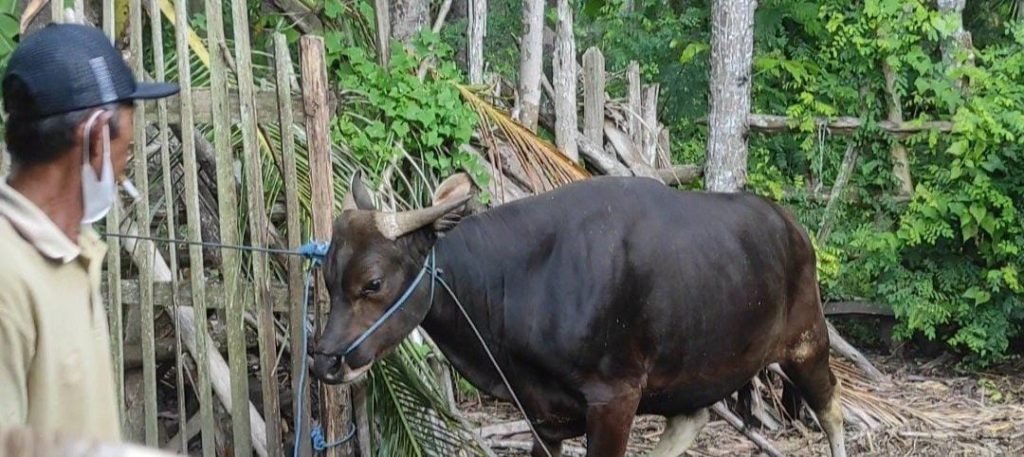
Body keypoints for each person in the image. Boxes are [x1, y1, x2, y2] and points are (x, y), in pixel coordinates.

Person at [0, 23, 179, 442]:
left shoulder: (74, 250)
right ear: (97, 137)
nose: (125, 168)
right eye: (127, 148)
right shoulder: (8, 276)